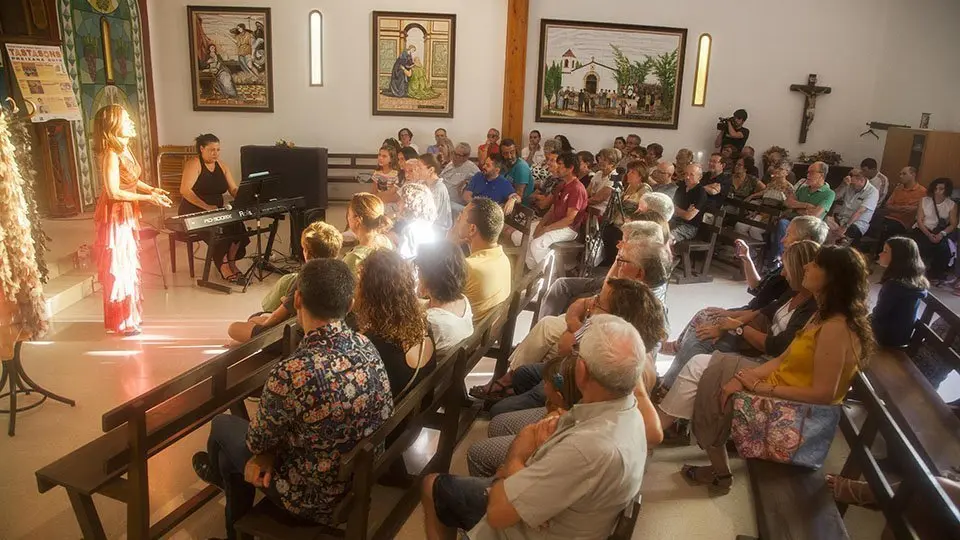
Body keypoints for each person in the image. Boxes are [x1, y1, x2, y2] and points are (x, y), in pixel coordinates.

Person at [192, 259, 393, 540]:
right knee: (235, 459)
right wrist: (268, 452)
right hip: (360, 476)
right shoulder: (366, 345)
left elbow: (256, 442)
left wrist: (265, 453)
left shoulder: (293, 371)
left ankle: (222, 490)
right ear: (350, 305)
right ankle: (228, 497)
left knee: (222, 427)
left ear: (297, 299)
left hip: (314, 497)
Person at [421, 316, 648, 540]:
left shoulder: (587, 449)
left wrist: (517, 456)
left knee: (432, 485)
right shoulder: (630, 413)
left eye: (577, 352)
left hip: (529, 529)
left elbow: (497, 513)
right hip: (569, 516)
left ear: (581, 369)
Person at [673, 246, 872, 494]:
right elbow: (782, 359)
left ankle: (713, 467)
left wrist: (759, 386)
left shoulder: (836, 328)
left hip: (798, 412)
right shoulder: (821, 314)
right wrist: (747, 377)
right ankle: (685, 437)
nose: (807, 267)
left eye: (816, 265)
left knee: (709, 381)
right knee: (714, 371)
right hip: (780, 386)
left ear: (833, 277)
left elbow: (825, 395)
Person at [658, 241, 820, 389]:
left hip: (763, 354)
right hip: (754, 334)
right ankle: (670, 379)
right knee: (706, 322)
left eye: (787, 269)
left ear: (800, 270)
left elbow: (776, 346)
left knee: (701, 340)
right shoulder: (793, 291)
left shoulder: (811, 308)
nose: (783, 274)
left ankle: (668, 386)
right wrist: (727, 322)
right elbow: (762, 310)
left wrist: (737, 327)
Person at [92, 105, 172, 336]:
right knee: (119, 265)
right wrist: (149, 198)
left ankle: (129, 316)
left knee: (128, 264)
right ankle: (120, 321)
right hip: (114, 214)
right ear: (114, 124)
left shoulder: (125, 149)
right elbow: (114, 192)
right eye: (127, 119)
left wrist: (152, 189)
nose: (132, 122)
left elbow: (132, 180)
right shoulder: (110, 153)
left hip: (127, 212)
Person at [227, 222, 343, 343]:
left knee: (235, 327)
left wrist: (263, 325)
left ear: (307, 253)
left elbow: (278, 316)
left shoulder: (306, 278)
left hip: (293, 337)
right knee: (257, 317)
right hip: (327, 332)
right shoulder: (341, 275)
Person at [354, 249, 436, 397]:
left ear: (371, 293)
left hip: (398, 418)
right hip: (421, 407)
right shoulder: (422, 324)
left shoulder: (373, 343)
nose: (357, 289)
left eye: (360, 284)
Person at [538, 238, 671, 320]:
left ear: (639, 274)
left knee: (546, 328)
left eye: (622, 260)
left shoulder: (636, 304)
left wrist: (574, 319)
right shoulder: (634, 287)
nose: (618, 264)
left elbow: (586, 337)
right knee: (561, 287)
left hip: (587, 352)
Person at [178, 133, 249, 284]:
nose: (215, 153)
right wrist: (206, 207)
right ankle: (222, 265)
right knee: (219, 229)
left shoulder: (222, 166)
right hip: (193, 209)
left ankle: (231, 262)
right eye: (212, 150)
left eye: (218, 150)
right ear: (202, 149)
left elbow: (233, 189)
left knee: (238, 226)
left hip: (216, 209)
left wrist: (247, 195)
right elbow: (185, 190)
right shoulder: (194, 164)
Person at [525, 152, 588, 269]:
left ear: (570, 168)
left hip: (568, 229)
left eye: (560, 165)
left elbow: (569, 219)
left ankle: (551, 274)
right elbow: (551, 210)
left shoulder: (577, 189)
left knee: (537, 245)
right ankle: (533, 274)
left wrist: (546, 229)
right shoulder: (561, 185)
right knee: (526, 237)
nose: (557, 167)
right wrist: (541, 225)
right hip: (554, 224)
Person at [455, 198, 512, 323]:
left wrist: (449, 243)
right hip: (485, 333)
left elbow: (437, 306)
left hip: (466, 338)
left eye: (462, 214)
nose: (458, 219)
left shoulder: (469, 267)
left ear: (472, 229)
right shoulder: (502, 257)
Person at [766, 161, 835, 265]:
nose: (807, 175)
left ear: (821, 175)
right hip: (793, 220)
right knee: (780, 224)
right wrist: (806, 206)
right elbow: (787, 202)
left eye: (811, 172)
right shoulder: (803, 189)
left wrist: (797, 207)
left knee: (782, 224)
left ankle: (777, 260)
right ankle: (777, 260)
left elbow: (814, 215)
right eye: (807, 172)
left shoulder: (829, 193)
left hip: (809, 227)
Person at [415, 242, 474, 355]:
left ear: (430, 277)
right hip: (450, 365)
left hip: (432, 369)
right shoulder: (462, 300)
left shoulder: (432, 321)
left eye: (419, 270)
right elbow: (429, 306)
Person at [872, 237, 929, 348]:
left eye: (885, 251)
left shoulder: (894, 286)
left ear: (898, 257)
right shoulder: (914, 281)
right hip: (900, 337)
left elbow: (878, 315)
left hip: (886, 339)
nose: (880, 254)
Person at [867, 166, 925, 250]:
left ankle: (881, 255)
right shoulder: (898, 188)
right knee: (871, 217)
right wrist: (901, 208)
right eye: (900, 174)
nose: (901, 176)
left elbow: (920, 209)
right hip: (890, 216)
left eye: (904, 174)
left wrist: (912, 209)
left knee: (888, 227)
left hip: (904, 221)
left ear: (913, 175)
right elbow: (887, 205)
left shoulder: (922, 191)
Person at [912, 177, 957, 282]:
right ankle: (914, 271)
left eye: (941, 189)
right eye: (936, 188)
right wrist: (928, 234)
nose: (937, 191)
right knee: (919, 244)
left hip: (940, 231)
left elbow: (953, 224)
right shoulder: (924, 200)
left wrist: (941, 234)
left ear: (947, 190)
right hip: (923, 229)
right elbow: (919, 220)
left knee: (944, 248)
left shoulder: (951, 204)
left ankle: (935, 273)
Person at [342, 193, 394, 277]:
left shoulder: (353, 259)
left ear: (357, 221)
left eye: (349, 214)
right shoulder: (386, 242)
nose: (347, 218)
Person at [826, 168, 880, 245]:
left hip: (856, 224)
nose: (849, 180)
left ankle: (841, 239)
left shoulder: (872, 192)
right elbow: (833, 197)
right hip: (841, 219)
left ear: (861, 180)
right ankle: (840, 237)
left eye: (851, 176)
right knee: (824, 221)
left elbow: (860, 212)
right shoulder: (848, 185)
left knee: (837, 238)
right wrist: (842, 185)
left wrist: (845, 227)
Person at [393, 182, 440, 260]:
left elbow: (402, 257)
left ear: (409, 204)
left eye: (401, 200)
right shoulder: (426, 225)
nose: (398, 203)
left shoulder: (410, 229)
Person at [670, 163, 708, 241]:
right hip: (675, 220)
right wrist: (681, 211)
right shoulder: (682, 187)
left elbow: (688, 216)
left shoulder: (700, 192)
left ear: (699, 177)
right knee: (655, 230)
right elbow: (671, 207)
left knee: (668, 238)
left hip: (689, 227)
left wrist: (677, 209)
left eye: (691, 175)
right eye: (686, 174)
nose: (687, 177)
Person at [417, 153, 453, 230]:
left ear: (431, 170)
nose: (417, 170)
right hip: (425, 224)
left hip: (437, 228)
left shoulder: (438, 188)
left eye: (420, 168)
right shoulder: (422, 183)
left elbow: (430, 214)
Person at [441, 142, 480, 208]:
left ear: (466, 156)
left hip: (456, 204)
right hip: (443, 199)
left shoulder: (471, 168)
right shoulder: (450, 164)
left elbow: (481, 182)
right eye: (454, 153)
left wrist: (467, 183)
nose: (454, 157)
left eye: (458, 155)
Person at [588, 148, 618, 215]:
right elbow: (587, 192)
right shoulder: (598, 173)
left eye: (604, 160)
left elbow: (598, 199)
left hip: (602, 213)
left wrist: (580, 203)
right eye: (600, 158)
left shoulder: (615, 177)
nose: (600, 161)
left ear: (612, 163)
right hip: (589, 208)